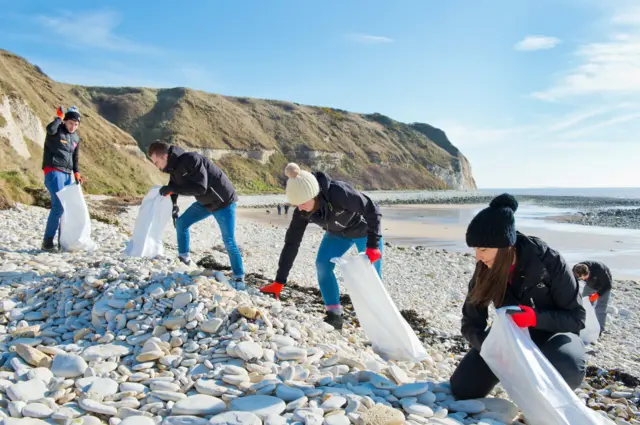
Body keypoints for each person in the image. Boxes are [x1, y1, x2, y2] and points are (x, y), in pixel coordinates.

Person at [449, 194, 586, 400]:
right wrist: (489, 347)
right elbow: (471, 322)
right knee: (463, 389)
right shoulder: (485, 268)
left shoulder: (549, 262)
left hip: (552, 336)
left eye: (483, 249)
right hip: (510, 338)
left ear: (506, 247)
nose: (478, 256)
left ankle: (543, 394)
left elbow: (577, 318)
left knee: (568, 366)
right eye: (476, 249)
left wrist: (535, 318)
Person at [260, 163, 383, 330]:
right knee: (322, 265)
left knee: (372, 276)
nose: (300, 208)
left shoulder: (339, 193)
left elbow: (372, 209)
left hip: (364, 231)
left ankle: (380, 323)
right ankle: (334, 316)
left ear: (314, 194)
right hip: (338, 234)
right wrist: (279, 281)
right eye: (296, 204)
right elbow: (292, 243)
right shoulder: (302, 211)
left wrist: (373, 245)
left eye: (302, 203)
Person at [147, 141, 245, 288]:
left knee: (228, 240)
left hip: (223, 202)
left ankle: (239, 277)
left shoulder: (192, 159)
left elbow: (200, 187)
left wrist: (173, 189)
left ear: (165, 156)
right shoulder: (173, 168)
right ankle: (184, 258)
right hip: (205, 203)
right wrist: (174, 205)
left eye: (156, 162)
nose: (156, 166)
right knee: (181, 223)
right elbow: (173, 187)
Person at [41, 105, 83, 251]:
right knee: (58, 205)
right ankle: (47, 242)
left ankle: (61, 241)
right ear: (65, 121)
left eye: (76, 124)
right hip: (53, 169)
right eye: (71, 123)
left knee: (65, 208)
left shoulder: (76, 137)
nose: (73, 126)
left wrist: (76, 172)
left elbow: (75, 157)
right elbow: (49, 129)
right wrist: (58, 118)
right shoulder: (57, 130)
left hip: (67, 173)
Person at [573, 261, 612, 333]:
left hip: (604, 285)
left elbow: (607, 286)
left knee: (601, 307)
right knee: (584, 303)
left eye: (585, 277)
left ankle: (600, 330)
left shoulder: (599, 270)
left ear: (588, 272)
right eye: (581, 278)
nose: (583, 279)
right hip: (590, 285)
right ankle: (582, 325)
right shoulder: (575, 270)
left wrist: (597, 295)